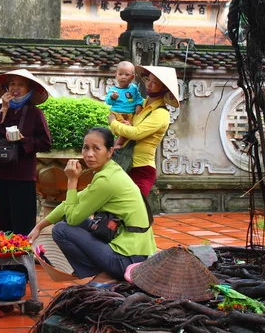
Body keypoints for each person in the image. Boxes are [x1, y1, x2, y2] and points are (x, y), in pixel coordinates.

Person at [27, 128, 157, 286]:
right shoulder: (109, 171)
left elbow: (73, 218)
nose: (89, 154)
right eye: (85, 147)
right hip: (131, 250)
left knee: (61, 229)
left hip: (127, 259)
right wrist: (39, 227)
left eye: (96, 148)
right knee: (70, 219)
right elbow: (71, 203)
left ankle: (104, 273)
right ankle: (104, 271)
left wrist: (72, 181)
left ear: (109, 152)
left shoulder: (106, 180)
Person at [0, 69, 52, 236]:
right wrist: (4, 110)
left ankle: (21, 259)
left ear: (28, 89)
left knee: (23, 220)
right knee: (5, 218)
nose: (15, 88)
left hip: (23, 172)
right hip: (2, 170)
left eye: (21, 84)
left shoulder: (34, 112)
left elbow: (45, 143)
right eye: (12, 84)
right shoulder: (0, 108)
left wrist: (23, 139)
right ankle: (5, 257)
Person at [108, 65, 180, 199]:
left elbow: (136, 133)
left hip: (142, 169)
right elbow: (129, 128)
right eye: (148, 79)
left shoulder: (161, 114)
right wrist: (125, 123)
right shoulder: (140, 106)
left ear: (164, 89)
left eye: (155, 83)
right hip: (125, 163)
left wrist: (113, 123)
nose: (149, 84)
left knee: (133, 210)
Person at [105, 61, 144, 149]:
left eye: (127, 75)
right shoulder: (113, 90)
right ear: (116, 75)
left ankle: (118, 142)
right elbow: (108, 101)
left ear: (132, 77)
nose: (123, 77)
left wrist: (139, 104)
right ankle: (118, 143)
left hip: (130, 114)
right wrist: (112, 98)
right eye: (120, 74)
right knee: (124, 127)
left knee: (127, 128)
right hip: (117, 113)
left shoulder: (133, 88)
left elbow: (138, 98)